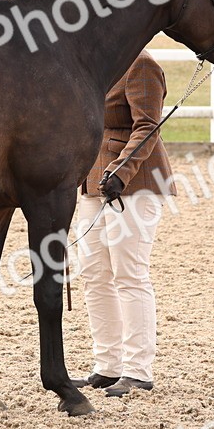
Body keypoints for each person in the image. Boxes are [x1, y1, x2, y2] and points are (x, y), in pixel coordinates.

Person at [71, 50, 176, 397]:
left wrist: (121, 170)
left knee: (129, 273)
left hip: (135, 185)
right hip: (92, 182)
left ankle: (137, 370)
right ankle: (108, 365)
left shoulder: (142, 65)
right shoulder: (94, 63)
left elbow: (148, 126)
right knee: (93, 273)